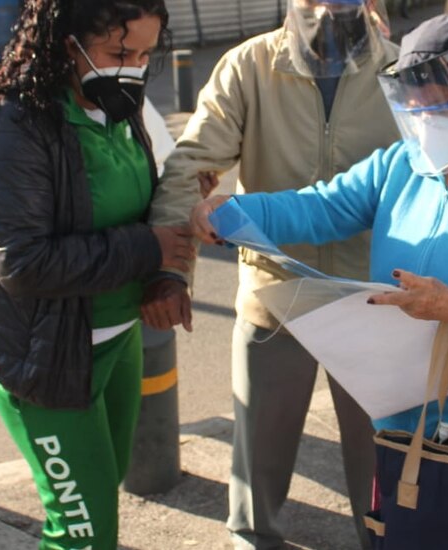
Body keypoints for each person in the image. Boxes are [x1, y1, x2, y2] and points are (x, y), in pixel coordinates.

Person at [191, 13, 448, 446]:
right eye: (415, 112)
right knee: (400, 513)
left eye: (442, 107)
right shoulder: (402, 164)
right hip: (401, 421)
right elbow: (322, 207)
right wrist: (236, 210)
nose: (427, 125)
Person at [0, 0, 196, 547]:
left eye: (144, 54)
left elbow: (140, 203)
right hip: (44, 354)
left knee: (96, 493)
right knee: (84, 531)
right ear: (68, 42)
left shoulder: (119, 104)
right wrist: (147, 248)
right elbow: (22, 261)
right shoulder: (9, 123)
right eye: (118, 51)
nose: (133, 67)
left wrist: (166, 269)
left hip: (116, 337)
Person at [157, 0, 397, 547]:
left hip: (373, 300)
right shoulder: (248, 67)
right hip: (276, 296)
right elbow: (191, 165)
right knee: (257, 463)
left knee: (382, 465)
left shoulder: (400, 71)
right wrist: (171, 271)